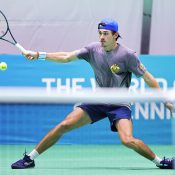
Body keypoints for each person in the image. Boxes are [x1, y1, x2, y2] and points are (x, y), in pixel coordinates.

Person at [11, 18, 175, 169]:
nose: (102, 37)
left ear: (115, 35)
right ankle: (29, 158)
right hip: (97, 100)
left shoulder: (127, 55)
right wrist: (39, 55)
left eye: (106, 34)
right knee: (64, 125)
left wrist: (164, 99)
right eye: (100, 33)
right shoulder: (92, 49)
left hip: (119, 103)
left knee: (127, 140)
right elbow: (66, 57)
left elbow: (148, 78)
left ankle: (161, 162)